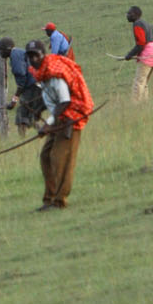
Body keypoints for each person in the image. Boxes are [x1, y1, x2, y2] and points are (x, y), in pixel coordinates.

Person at [26, 40, 91, 211]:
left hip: (71, 116)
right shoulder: (41, 73)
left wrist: (48, 124)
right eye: (30, 56)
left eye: (36, 55)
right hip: (59, 117)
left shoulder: (55, 74)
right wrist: (40, 116)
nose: (33, 59)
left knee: (60, 158)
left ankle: (59, 201)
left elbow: (64, 101)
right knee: (46, 156)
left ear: (43, 55)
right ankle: (49, 199)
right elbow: (51, 100)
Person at [0, 37, 41, 135]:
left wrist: (13, 101)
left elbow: (21, 80)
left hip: (32, 87)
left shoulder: (15, 57)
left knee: (21, 116)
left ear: (7, 49)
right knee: (28, 115)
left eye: (1, 50)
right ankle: (45, 132)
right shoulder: (18, 52)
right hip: (36, 85)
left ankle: (23, 138)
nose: (0, 53)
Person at [121, 8, 153, 102]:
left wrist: (129, 55)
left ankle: (135, 104)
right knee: (144, 81)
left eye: (129, 13)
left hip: (148, 52)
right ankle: (144, 102)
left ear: (135, 15)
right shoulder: (145, 23)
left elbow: (141, 43)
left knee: (138, 81)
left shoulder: (137, 24)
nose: (127, 15)